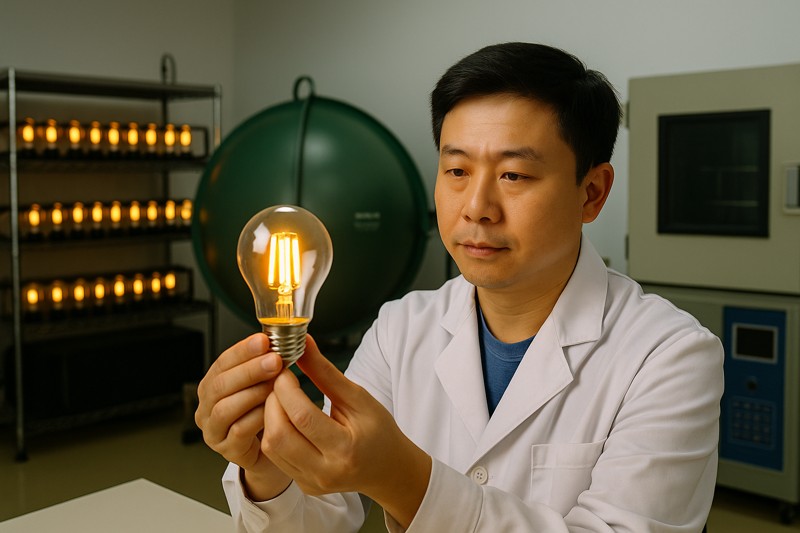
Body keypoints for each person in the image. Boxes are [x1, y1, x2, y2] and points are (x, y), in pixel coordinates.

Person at [195, 42, 724, 532]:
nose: (476, 208)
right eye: (456, 170)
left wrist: (403, 478)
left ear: (591, 192)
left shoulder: (670, 355)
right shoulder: (401, 329)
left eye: (513, 175)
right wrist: (268, 471)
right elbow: (324, 512)